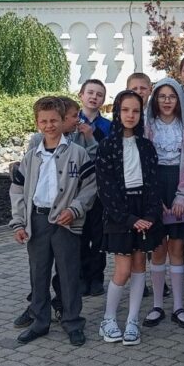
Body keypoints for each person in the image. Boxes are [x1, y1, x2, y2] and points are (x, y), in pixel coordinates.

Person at [10, 96, 97, 347]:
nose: (49, 126)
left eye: (54, 120)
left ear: (63, 121)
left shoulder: (78, 153)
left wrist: (75, 209)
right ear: (37, 123)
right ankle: (40, 321)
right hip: (37, 221)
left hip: (65, 222)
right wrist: (19, 222)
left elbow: (90, 187)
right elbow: (17, 191)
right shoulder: (31, 157)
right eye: (43, 121)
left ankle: (72, 322)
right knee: (38, 273)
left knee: (69, 273)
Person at [96, 91, 161, 346]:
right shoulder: (107, 146)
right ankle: (108, 319)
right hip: (120, 213)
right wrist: (129, 218)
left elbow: (154, 183)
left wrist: (150, 215)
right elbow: (106, 188)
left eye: (135, 111)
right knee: (122, 270)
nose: (130, 115)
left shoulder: (146, 146)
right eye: (125, 110)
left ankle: (133, 320)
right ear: (117, 112)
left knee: (139, 267)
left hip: (143, 209)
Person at [143, 78, 184, 330]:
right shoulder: (147, 128)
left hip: (180, 185)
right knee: (157, 249)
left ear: (179, 100)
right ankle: (157, 305)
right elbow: (144, 165)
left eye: (172, 96)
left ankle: (178, 306)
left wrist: (182, 195)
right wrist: (154, 199)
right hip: (155, 187)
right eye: (162, 96)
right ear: (155, 99)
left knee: (177, 249)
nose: (167, 101)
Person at [77, 79, 112, 297]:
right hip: (76, 189)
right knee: (80, 234)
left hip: (99, 188)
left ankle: (97, 277)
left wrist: (91, 136)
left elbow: (108, 154)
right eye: (90, 92)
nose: (94, 97)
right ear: (81, 95)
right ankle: (81, 277)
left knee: (98, 235)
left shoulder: (107, 126)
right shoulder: (70, 121)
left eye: (99, 95)